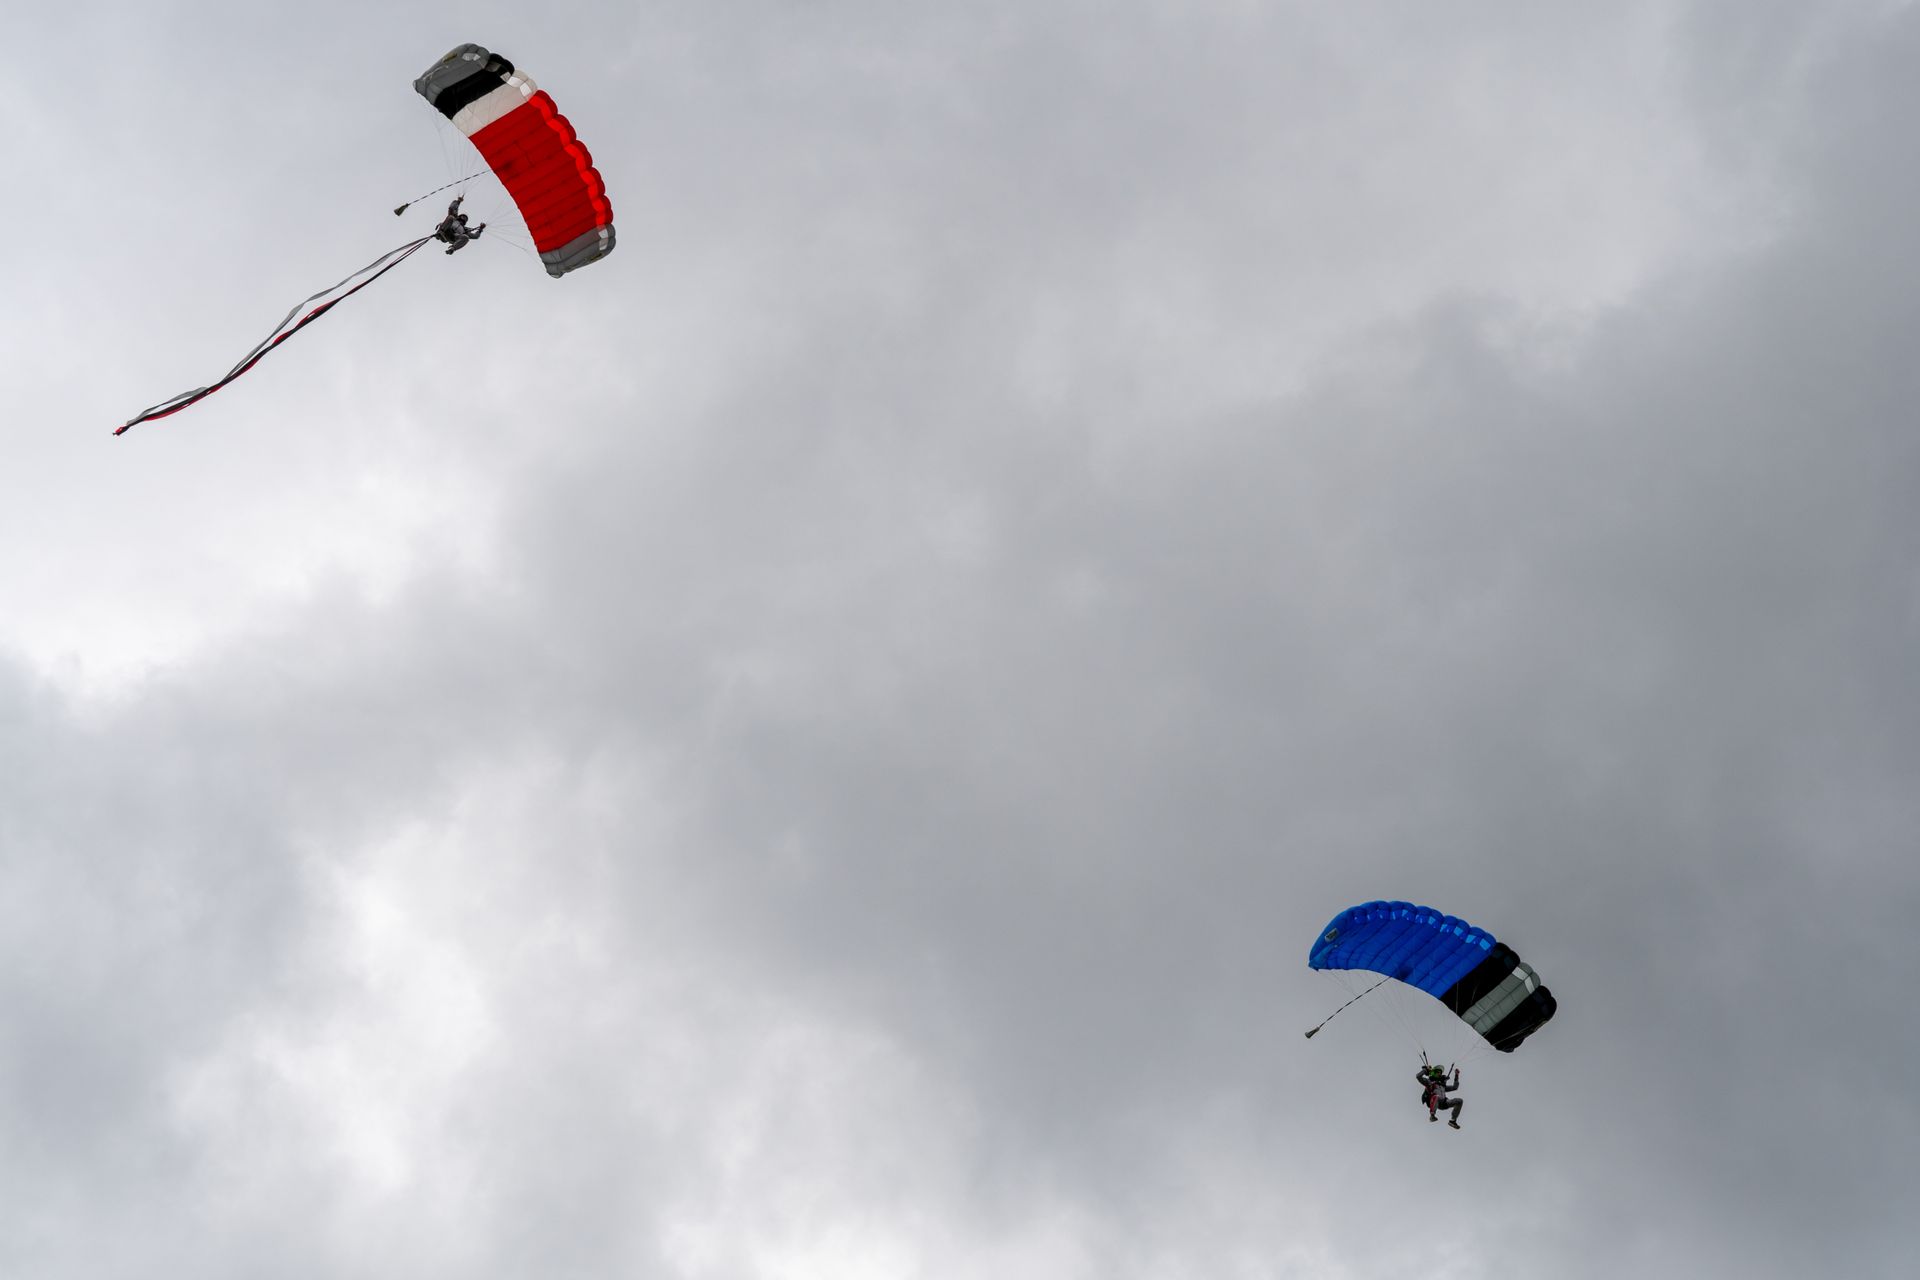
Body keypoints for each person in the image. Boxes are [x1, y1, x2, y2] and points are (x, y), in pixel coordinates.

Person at [1418, 1063, 1463, 1128]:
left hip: (1444, 1103)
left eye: (1440, 1073)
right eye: (1438, 1072)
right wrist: (1425, 1070)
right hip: (1435, 1102)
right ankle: (1432, 1115)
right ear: (1434, 1073)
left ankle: (1453, 1121)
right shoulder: (1429, 1082)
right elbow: (1418, 1076)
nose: (1440, 1074)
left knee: (1459, 1101)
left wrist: (1456, 1075)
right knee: (1436, 1097)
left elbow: (1455, 1087)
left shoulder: (1442, 1086)